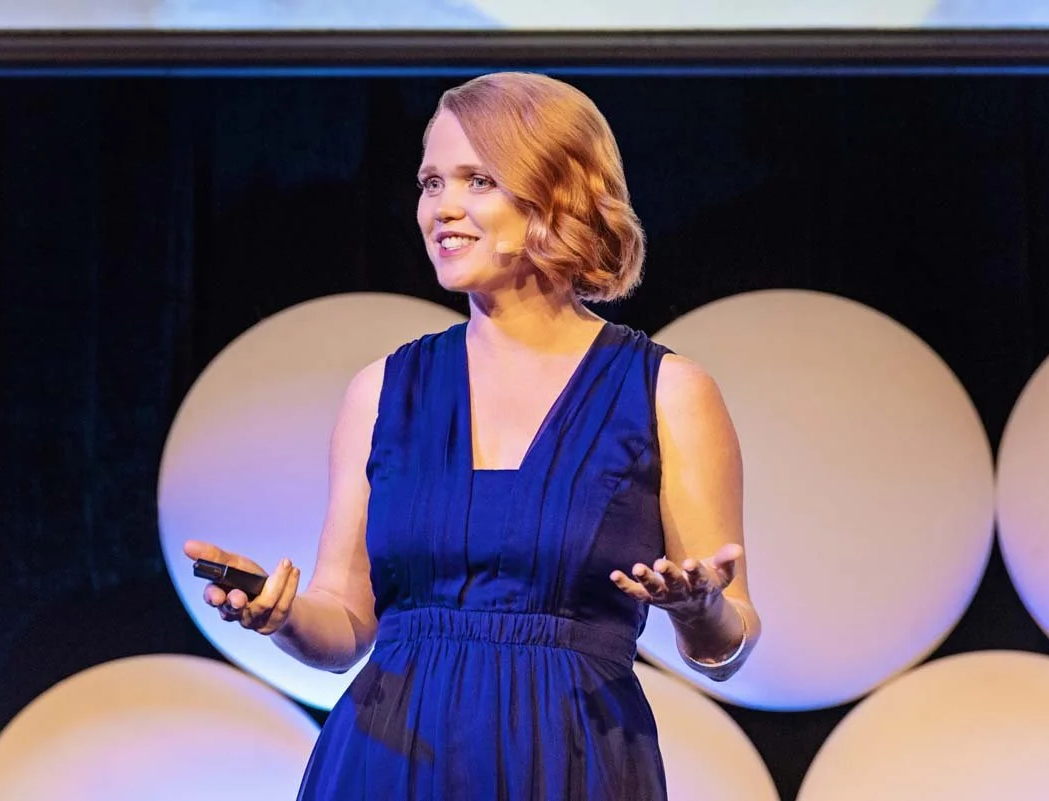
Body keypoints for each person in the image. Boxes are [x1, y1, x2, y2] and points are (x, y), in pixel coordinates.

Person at [184, 70, 761, 800]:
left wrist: (700, 608)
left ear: (558, 196)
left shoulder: (666, 392)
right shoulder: (384, 391)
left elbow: (728, 640)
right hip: (388, 761)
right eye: (430, 183)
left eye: (477, 180)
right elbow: (346, 625)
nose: (442, 209)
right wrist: (282, 613)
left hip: (573, 762)